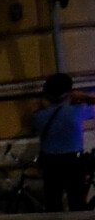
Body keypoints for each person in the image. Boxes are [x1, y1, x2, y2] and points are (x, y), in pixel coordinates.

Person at [26, 73, 95, 211]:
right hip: (74, 161)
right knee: (77, 202)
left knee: (53, 203)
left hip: (51, 163)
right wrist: (84, 97)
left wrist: (41, 106)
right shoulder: (77, 112)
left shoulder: (39, 116)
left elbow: (33, 126)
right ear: (69, 93)